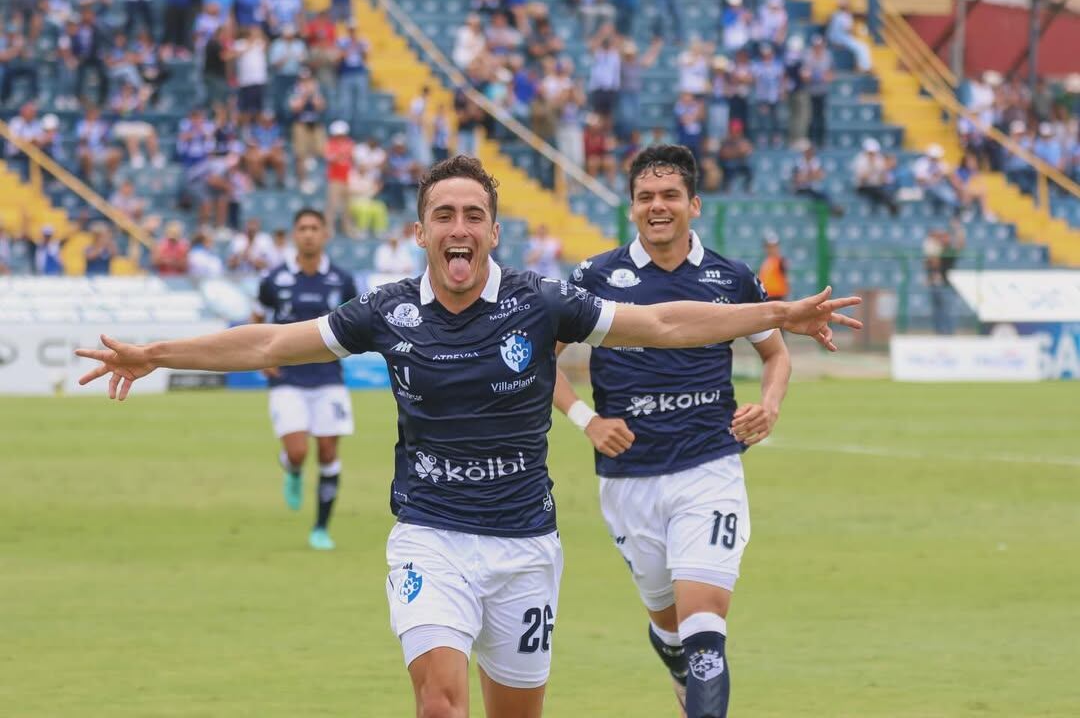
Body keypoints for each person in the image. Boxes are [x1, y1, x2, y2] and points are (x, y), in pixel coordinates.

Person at [74, 156, 861, 718]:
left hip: (524, 550)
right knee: (440, 703)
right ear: (421, 232)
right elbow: (271, 344)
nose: (459, 228)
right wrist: (155, 353)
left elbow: (660, 323)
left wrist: (777, 313)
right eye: (444, 215)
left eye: (473, 215)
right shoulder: (387, 311)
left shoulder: (541, 302)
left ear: (492, 231)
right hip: (430, 541)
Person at [555, 146, 792, 718]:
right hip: (628, 479)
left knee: (704, 627)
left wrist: (769, 405)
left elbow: (776, 353)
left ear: (693, 204)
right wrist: (586, 420)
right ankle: (672, 655)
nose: (657, 207)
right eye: (645, 198)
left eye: (669, 196)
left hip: (709, 468)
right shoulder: (594, 277)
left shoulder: (730, 277)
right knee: (669, 624)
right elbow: (538, 362)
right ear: (632, 208)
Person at [251, 209, 359, 550]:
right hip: (287, 377)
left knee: (328, 451)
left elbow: (356, 323)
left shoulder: (341, 279)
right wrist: (261, 357)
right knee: (298, 451)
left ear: (326, 233)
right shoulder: (275, 279)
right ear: (294, 235)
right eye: (303, 228)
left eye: (315, 228)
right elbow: (256, 317)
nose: (309, 234)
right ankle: (292, 469)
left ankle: (321, 528)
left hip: (328, 375)